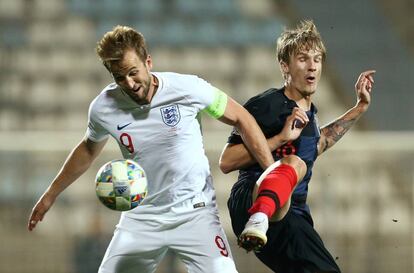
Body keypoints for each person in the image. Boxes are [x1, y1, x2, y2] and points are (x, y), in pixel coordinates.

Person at [27, 25, 278, 273]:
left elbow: (241, 118)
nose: (129, 82)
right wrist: (51, 194)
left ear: (148, 62)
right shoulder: (104, 107)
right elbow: (88, 149)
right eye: (119, 77)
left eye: (133, 72)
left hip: (195, 213)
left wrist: (272, 175)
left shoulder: (188, 88)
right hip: (141, 218)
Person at [220, 20, 375, 273]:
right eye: (303, 58)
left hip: (292, 211)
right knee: (293, 163)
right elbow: (227, 161)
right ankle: (259, 218)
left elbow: (318, 144)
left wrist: (359, 107)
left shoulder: (310, 114)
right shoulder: (267, 105)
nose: (312, 65)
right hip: (253, 199)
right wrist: (280, 138)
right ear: (285, 66)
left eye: (317, 59)